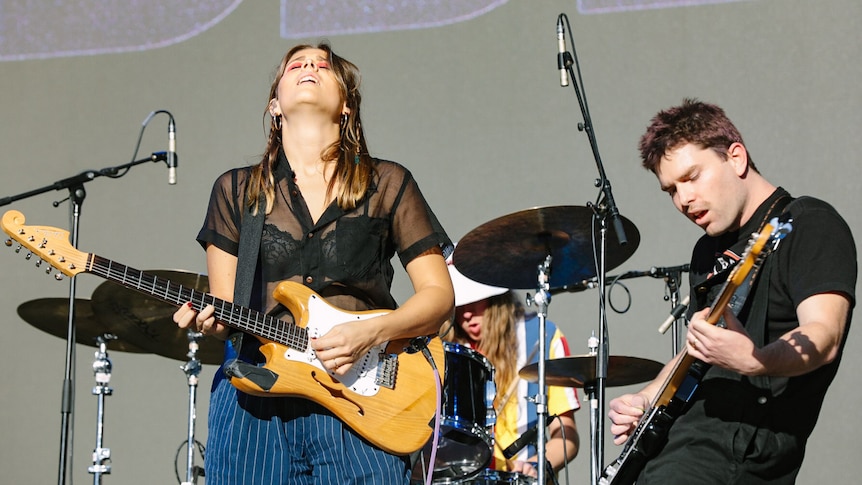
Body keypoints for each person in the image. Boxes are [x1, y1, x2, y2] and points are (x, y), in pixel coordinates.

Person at [172, 43, 455, 484]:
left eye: (323, 65)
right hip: (256, 400)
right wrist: (209, 318)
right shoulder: (236, 190)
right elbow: (225, 304)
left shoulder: (388, 183)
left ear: (345, 105)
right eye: (296, 64)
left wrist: (371, 331)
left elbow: (439, 298)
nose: (309, 66)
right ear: (274, 105)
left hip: (360, 402)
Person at [607, 98, 856, 484]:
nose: (683, 200)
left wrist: (758, 360)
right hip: (676, 446)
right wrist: (647, 396)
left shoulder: (810, 224)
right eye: (671, 190)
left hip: (737, 457)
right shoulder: (708, 250)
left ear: (736, 158)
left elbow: (824, 335)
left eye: (691, 177)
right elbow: (699, 350)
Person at [443, 257, 580, 481]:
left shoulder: (543, 336)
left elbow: (566, 433)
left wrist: (536, 466)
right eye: (460, 304)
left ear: (497, 298)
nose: (467, 313)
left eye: (475, 301)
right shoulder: (445, 350)